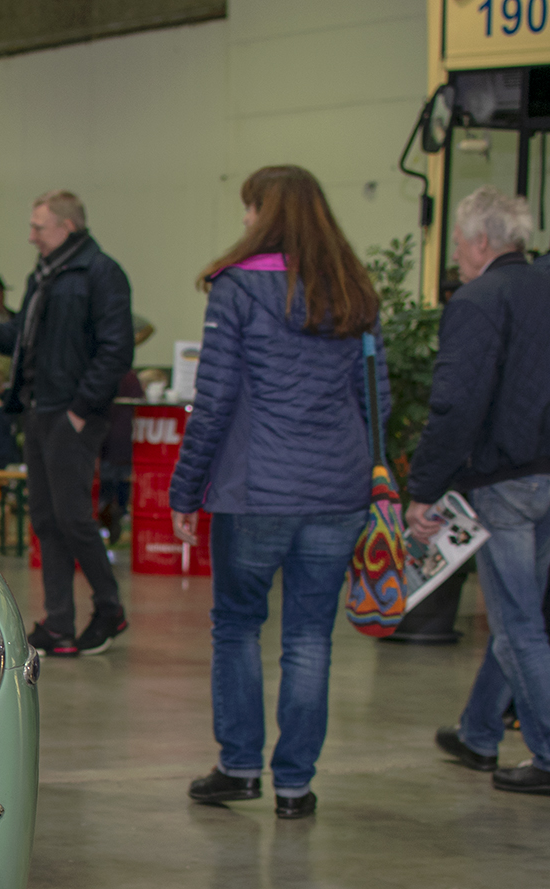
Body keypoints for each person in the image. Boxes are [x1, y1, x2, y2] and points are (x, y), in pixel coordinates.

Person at [169, 164, 387, 820]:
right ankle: (295, 785)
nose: (243, 220)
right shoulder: (355, 290)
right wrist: (379, 478)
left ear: (264, 213)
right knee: (310, 637)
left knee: (237, 626)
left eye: (248, 208)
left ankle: (238, 768)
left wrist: (185, 491)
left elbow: (214, 400)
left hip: (255, 490)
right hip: (337, 489)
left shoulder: (236, 289)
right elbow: (374, 396)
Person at [407, 187, 550, 797]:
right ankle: (478, 731)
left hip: (503, 482)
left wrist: (425, 488)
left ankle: (546, 752)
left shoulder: (478, 300)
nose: (457, 257)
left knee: (518, 623)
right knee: (524, 612)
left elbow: (456, 405)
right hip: (547, 474)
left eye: (460, 244)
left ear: (483, 243)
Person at [0, 190, 135, 654]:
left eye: (39, 226)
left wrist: (81, 410)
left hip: (71, 414)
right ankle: (59, 624)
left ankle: (110, 608)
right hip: (40, 410)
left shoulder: (100, 274)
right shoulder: (44, 277)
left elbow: (116, 347)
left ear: (67, 227)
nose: (31, 235)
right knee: (47, 519)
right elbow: (23, 339)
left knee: (73, 518)